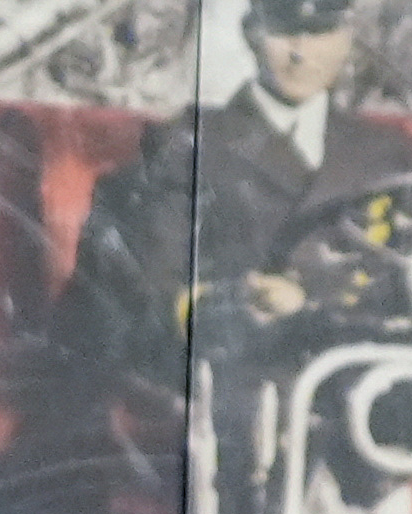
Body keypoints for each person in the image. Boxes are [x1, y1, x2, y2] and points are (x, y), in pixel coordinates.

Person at [54, 0, 363, 404]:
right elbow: (151, 281)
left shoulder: (382, 151)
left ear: (346, 40)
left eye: (321, 34)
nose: (301, 54)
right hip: (236, 376)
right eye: (283, 33)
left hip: (365, 371)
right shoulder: (191, 141)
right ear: (251, 33)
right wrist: (238, 302)